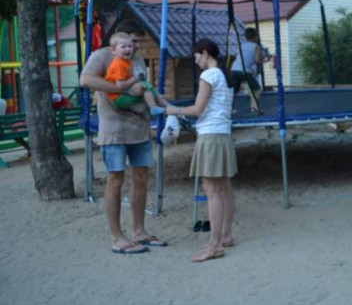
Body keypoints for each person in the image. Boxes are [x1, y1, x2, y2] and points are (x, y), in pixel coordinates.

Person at [79, 19, 168, 254]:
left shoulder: (136, 59)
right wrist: (120, 88)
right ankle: (117, 237)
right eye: (133, 41)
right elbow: (85, 80)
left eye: (138, 43)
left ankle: (140, 232)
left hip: (139, 127)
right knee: (115, 179)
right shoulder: (102, 55)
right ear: (121, 37)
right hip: (114, 129)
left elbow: (144, 87)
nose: (136, 47)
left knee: (141, 177)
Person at [166, 38, 237, 262]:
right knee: (224, 186)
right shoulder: (225, 75)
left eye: (196, 56)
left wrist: (174, 110)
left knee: (211, 189)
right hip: (223, 134)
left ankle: (214, 245)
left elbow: (197, 109)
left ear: (205, 53)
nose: (195, 61)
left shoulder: (209, 75)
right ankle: (225, 235)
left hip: (210, 135)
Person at [104, 32, 166, 117]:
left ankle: (160, 105)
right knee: (146, 87)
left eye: (130, 46)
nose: (128, 49)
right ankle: (154, 108)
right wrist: (135, 79)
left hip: (123, 93)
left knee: (149, 88)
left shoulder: (126, 61)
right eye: (123, 47)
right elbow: (120, 85)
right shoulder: (119, 64)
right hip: (118, 98)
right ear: (114, 50)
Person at [231, 27, 263, 100]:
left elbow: (243, 57)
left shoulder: (241, 45)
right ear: (255, 37)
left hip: (234, 69)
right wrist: (262, 59)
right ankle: (254, 105)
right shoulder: (256, 46)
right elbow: (256, 61)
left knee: (234, 92)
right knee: (257, 90)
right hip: (244, 71)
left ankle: (229, 106)